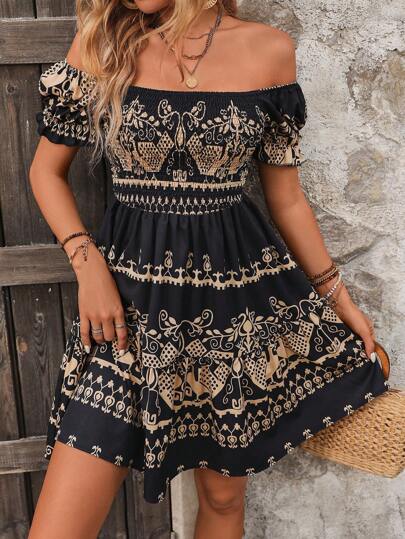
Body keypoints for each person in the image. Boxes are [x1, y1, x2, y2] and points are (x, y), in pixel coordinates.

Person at [27, 1, 388, 538]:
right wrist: (88, 265)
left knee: (222, 498)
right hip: (124, 311)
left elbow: (286, 198)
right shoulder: (104, 41)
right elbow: (45, 172)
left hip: (231, 310)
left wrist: (340, 298)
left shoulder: (269, 50)